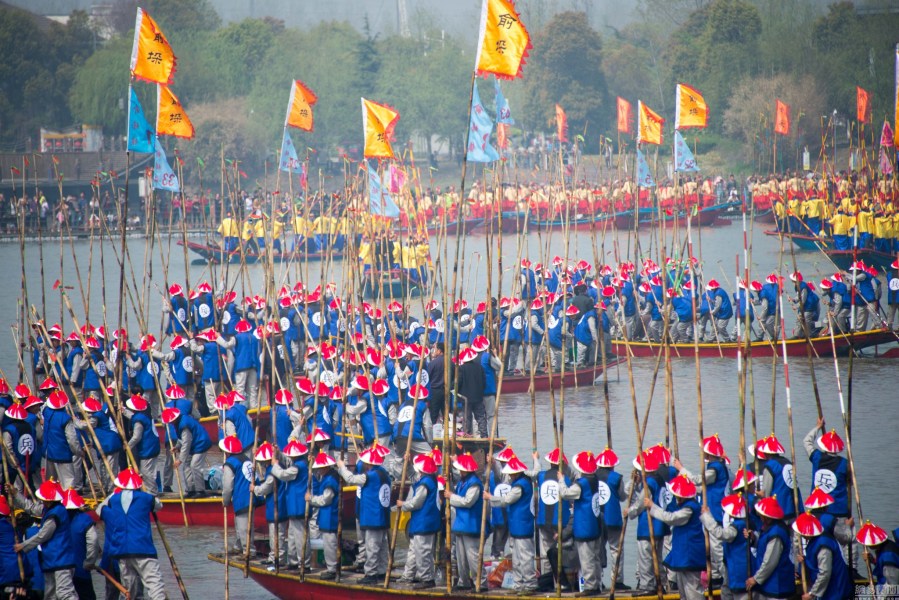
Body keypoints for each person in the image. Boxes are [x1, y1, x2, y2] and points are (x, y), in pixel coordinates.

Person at [96, 468, 167, 599]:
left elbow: (99, 509)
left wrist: (113, 494)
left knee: (130, 590)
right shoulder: (146, 498)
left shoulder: (114, 500)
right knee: (155, 585)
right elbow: (159, 506)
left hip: (122, 551)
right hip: (143, 548)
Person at [645, 474, 705, 600]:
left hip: (690, 555)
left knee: (692, 591)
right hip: (683, 553)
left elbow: (671, 518)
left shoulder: (689, 509)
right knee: (683, 592)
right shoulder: (684, 506)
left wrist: (653, 507)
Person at [14, 479, 77, 599]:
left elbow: (42, 536)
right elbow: (31, 508)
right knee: (50, 596)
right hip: (50, 560)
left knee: (65, 594)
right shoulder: (48, 509)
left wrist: (23, 546)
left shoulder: (56, 514)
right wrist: (15, 494)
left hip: (61, 560)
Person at [336, 447, 391, 584]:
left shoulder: (370, 476)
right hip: (382, 516)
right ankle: (382, 571)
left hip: (373, 516)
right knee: (382, 546)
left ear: (367, 463)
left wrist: (342, 467)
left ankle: (371, 574)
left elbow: (351, 478)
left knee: (372, 546)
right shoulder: (384, 473)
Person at [484, 455, 538, 593]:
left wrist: (491, 498)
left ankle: (530, 584)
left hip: (523, 526)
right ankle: (519, 583)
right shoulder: (521, 481)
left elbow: (507, 500)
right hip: (516, 525)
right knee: (516, 557)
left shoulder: (520, 486)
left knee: (525, 557)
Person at [558, 451, 605, 597]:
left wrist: (560, 479)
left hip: (585, 526)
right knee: (595, 557)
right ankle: (596, 583)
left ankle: (590, 586)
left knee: (587, 558)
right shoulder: (594, 480)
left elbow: (565, 493)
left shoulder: (581, 485)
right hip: (595, 524)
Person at [397, 453, 442, 589]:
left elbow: (416, 503)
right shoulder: (427, 479)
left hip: (425, 522)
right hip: (420, 521)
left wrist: (402, 505)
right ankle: (408, 575)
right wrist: (408, 463)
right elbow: (413, 476)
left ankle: (426, 578)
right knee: (413, 550)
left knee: (422, 552)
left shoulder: (426, 483)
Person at [445, 452, 487, 591]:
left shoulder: (474, 484)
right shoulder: (463, 482)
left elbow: (467, 502)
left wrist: (451, 497)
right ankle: (464, 581)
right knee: (460, 557)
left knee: (473, 556)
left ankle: (480, 581)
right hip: (461, 523)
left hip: (471, 524)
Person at [701, 493, 751, 600]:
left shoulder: (737, 527)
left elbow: (720, 534)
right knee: (725, 591)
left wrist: (707, 516)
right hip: (732, 566)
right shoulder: (743, 524)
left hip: (738, 568)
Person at [746, 496, 796, 600]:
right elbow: (762, 545)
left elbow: (770, 561)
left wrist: (756, 579)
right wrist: (753, 538)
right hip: (769, 584)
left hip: (777, 585)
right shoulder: (769, 528)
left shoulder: (776, 533)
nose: (759, 516)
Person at [794, 512, 853, 600]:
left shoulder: (823, 545)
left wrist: (812, 594)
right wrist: (804, 561)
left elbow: (825, 572)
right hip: (828, 590)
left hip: (835, 590)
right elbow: (814, 562)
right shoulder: (814, 541)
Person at [595, 447, 629, 591]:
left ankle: (597, 580)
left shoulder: (592, 475)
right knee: (616, 551)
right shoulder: (616, 478)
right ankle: (617, 581)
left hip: (596, 519)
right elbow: (622, 496)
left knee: (597, 551)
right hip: (613, 518)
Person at [251, 442, 289, 568]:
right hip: (275, 504)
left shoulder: (273, 471)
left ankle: (279, 558)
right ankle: (274, 556)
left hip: (278, 505)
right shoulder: (275, 468)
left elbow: (266, 487)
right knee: (275, 534)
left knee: (278, 535)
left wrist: (255, 489)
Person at [161, 407, 211, 497]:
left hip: (201, 443)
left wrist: (179, 460)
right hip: (193, 445)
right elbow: (181, 439)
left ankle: (200, 490)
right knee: (186, 467)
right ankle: (190, 489)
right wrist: (177, 447)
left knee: (195, 466)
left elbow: (187, 443)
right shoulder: (178, 424)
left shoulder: (184, 424)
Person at [306, 451, 340, 580]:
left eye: (319, 468)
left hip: (330, 515)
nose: (318, 471)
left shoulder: (330, 480)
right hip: (328, 515)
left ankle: (332, 569)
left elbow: (326, 499)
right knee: (330, 543)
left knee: (330, 544)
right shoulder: (330, 476)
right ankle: (332, 567)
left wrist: (311, 499)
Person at [42, 390, 83, 491]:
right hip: (62, 453)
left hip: (49, 452)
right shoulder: (65, 418)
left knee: (50, 482)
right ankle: (69, 504)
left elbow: (43, 408)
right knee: (68, 484)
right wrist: (78, 452)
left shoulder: (46, 412)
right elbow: (72, 439)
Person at [62, 488, 98, 599]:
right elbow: (93, 542)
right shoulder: (85, 520)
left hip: (62, 572)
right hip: (80, 570)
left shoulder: (56, 519)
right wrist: (90, 561)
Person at [456, 347, 487, 437]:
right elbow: (484, 382)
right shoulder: (479, 367)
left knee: (467, 418)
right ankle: (484, 435)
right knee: (481, 417)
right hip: (478, 397)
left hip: (466, 398)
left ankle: (467, 435)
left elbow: (458, 383)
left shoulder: (461, 369)